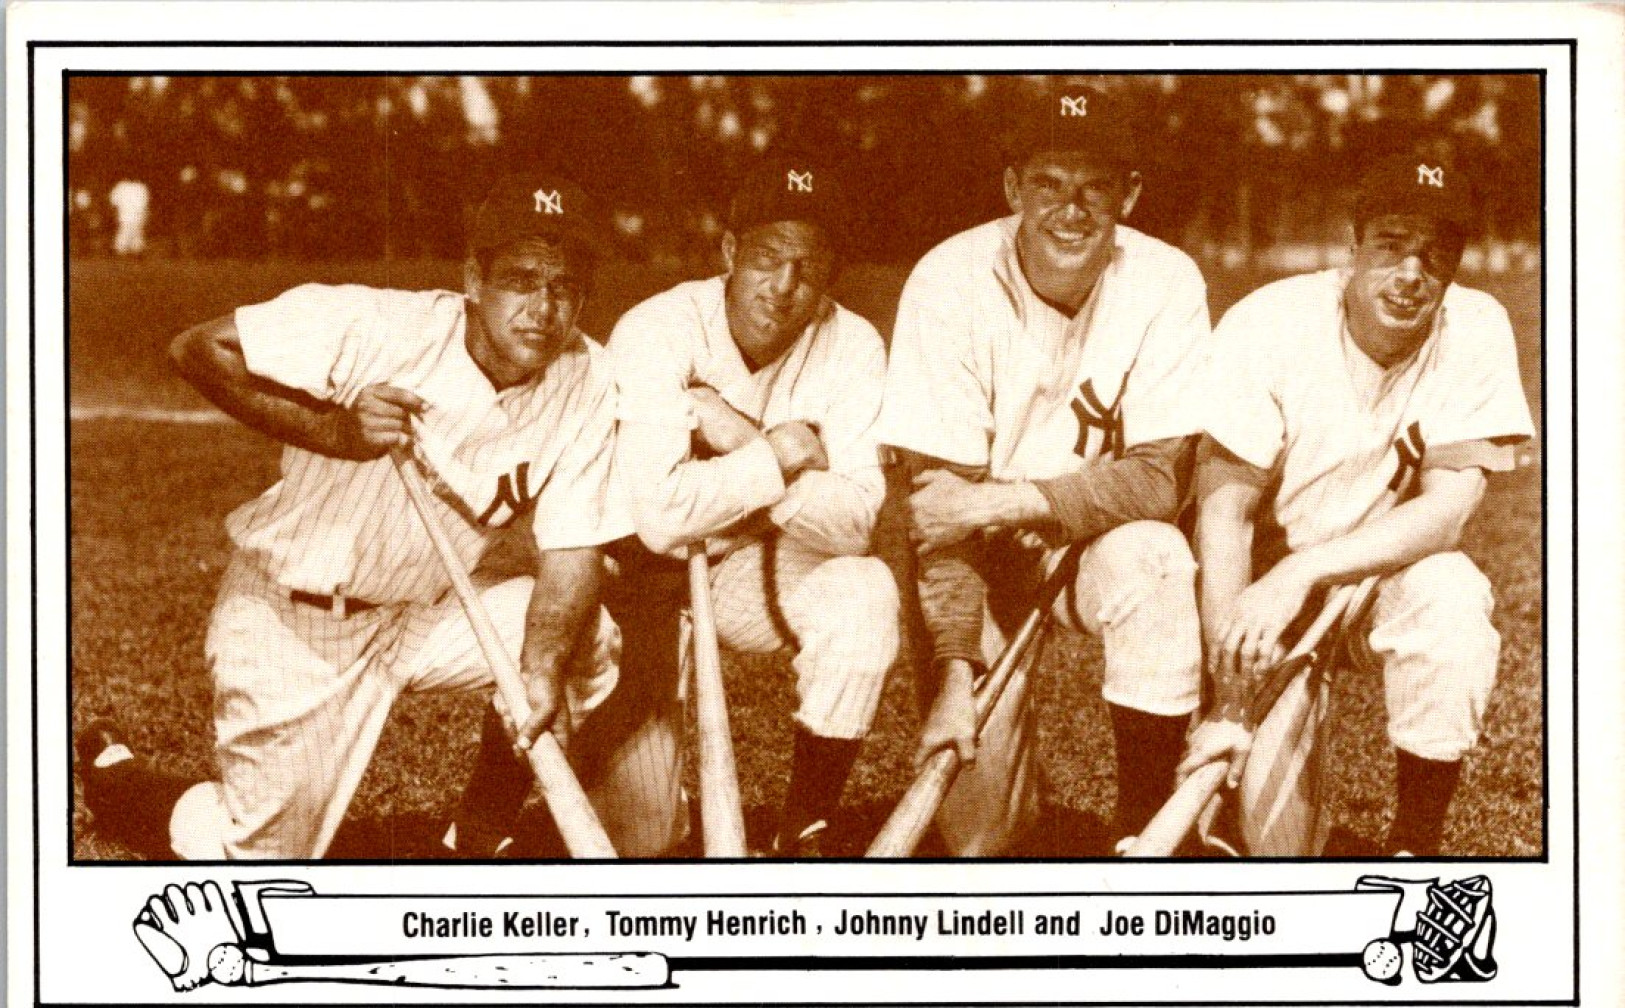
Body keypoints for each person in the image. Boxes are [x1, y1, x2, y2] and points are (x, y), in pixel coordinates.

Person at [75, 175, 669, 860]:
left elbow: (571, 547)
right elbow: (197, 348)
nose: (543, 307)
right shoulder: (378, 325)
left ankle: (476, 833)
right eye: (522, 278)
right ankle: (117, 779)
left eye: (565, 285)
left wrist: (538, 669)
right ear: (474, 278)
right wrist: (336, 432)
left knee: (576, 632)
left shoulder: (585, 378)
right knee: (256, 861)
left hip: (424, 614)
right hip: (297, 619)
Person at [876, 87, 1210, 856]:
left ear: (1128, 194)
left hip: (1091, 542)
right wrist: (955, 672)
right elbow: (935, 510)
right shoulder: (947, 278)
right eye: (1050, 183)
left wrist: (998, 502)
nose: (1072, 209)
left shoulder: (1166, 280)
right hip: (976, 561)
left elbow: (1159, 480)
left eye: (1095, 186)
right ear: (1012, 189)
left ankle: (1145, 831)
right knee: (981, 837)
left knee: (1155, 556)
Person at [1180, 154, 1535, 856]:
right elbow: (1223, 515)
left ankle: (1416, 845)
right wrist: (1229, 695)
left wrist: (1307, 570)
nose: (1411, 273)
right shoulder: (1269, 322)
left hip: (1364, 576)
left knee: (1451, 593)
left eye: (1435, 255)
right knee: (1272, 849)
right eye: (1392, 244)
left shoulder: (1475, 324)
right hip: (1256, 592)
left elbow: (1447, 513)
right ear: (1352, 250)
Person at [605, 160, 899, 857]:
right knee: (643, 838)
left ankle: (803, 831)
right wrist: (783, 458)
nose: (785, 285)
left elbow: (857, 522)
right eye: (767, 258)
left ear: (830, 273)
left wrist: (738, 438)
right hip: (639, 584)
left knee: (865, 590)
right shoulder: (656, 328)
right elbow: (661, 516)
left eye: (807, 264)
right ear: (731, 252)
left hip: (753, 570)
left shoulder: (852, 344)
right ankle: (481, 820)